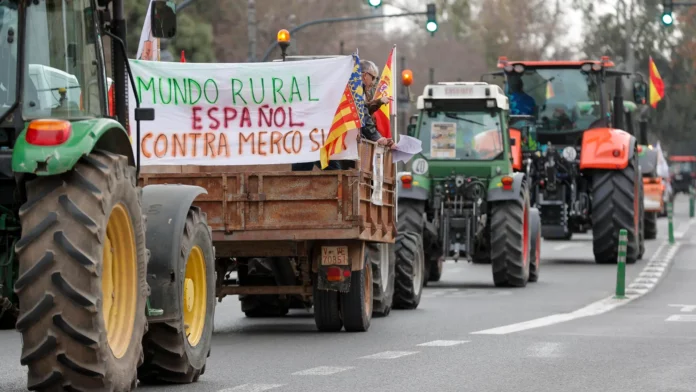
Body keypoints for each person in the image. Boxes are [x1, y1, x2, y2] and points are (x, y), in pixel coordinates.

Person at [292, 59, 394, 171]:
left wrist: (377, 103)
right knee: (336, 174)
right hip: (323, 138)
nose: (374, 82)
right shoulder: (354, 88)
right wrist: (376, 137)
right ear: (365, 75)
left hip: (307, 136)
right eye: (374, 78)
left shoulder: (341, 85)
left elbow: (360, 111)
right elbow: (361, 115)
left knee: (301, 173)